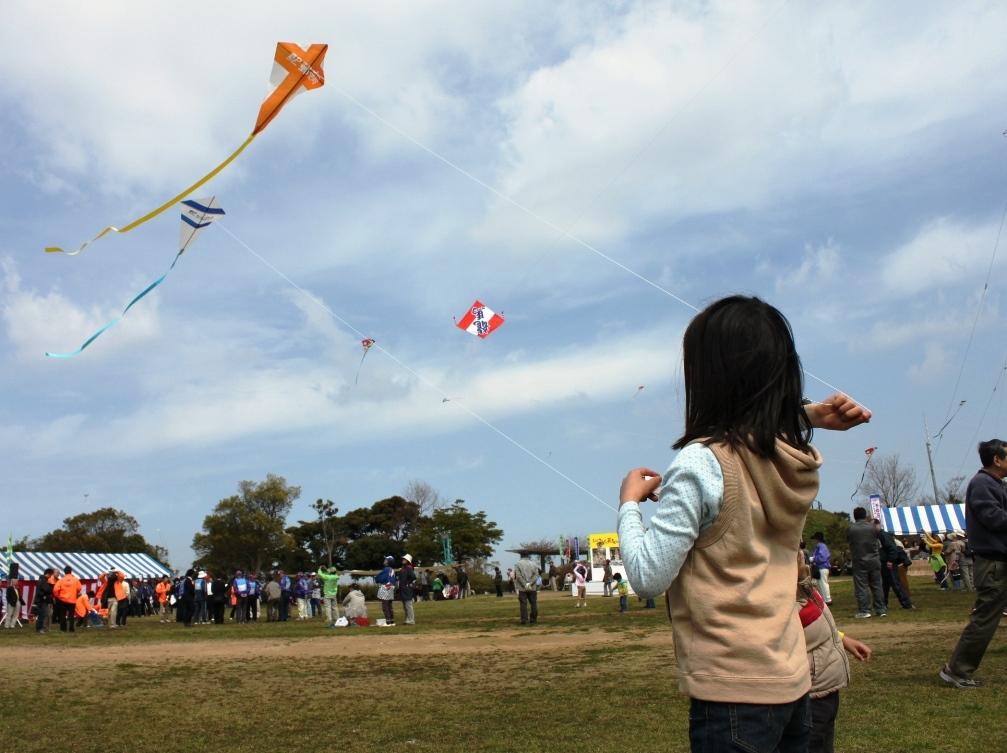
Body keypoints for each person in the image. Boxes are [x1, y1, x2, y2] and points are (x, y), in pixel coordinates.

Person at [617, 295, 870, 753]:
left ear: (708, 376)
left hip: (732, 692)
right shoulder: (789, 458)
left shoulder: (700, 462)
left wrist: (629, 505)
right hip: (793, 681)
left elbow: (648, 576)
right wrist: (807, 414)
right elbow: (759, 435)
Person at [940, 439, 1007, 689]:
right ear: (996, 460)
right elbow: (993, 517)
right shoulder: (982, 484)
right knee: (985, 619)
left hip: (999, 561)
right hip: (993, 563)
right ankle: (957, 670)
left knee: (986, 617)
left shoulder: (996, 484)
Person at [796, 551, 872, 753]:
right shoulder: (782, 599)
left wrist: (842, 638)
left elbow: (818, 622)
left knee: (823, 741)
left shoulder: (803, 586)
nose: (803, 560)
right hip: (809, 693)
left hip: (826, 685)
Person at [848, 507, 885, 618]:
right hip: (874, 560)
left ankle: (865, 610)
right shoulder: (873, 528)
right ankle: (881, 609)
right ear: (865, 516)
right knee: (877, 585)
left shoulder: (851, 529)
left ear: (855, 516)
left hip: (859, 561)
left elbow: (849, 541)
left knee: (862, 587)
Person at [875, 520, 913, 609]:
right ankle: (883, 604)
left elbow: (892, 549)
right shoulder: (879, 536)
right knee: (885, 585)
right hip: (884, 563)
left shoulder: (883, 535)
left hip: (889, 563)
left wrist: (890, 560)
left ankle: (907, 604)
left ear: (877, 525)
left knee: (896, 584)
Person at [53, 566, 81, 633]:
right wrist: (75, 593)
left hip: (63, 600)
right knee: (71, 615)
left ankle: (63, 629)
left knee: (62, 615)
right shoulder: (75, 580)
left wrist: (58, 596)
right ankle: (71, 629)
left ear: (64, 572)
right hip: (72, 600)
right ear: (71, 571)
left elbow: (55, 590)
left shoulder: (61, 580)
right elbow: (79, 588)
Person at [513, 556, 540, 625]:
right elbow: (536, 575)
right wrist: (530, 583)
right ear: (529, 556)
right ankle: (533, 619)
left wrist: (525, 584)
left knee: (523, 604)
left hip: (522, 587)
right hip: (532, 587)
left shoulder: (518, 564)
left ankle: (524, 619)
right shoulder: (534, 563)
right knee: (533, 603)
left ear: (521, 556)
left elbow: (518, 576)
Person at [810, 532, 832, 604]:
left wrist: (813, 559)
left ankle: (827, 600)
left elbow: (822, 558)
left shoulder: (821, 546)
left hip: (822, 567)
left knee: (823, 584)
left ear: (817, 539)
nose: (813, 541)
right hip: (822, 568)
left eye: (814, 539)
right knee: (821, 584)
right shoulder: (822, 546)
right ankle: (824, 599)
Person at [375, 556, 397, 626]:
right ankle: (392, 621)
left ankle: (388, 621)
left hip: (386, 587)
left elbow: (379, 578)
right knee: (389, 605)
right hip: (391, 587)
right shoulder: (392, 570)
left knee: (385, 605)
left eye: (386, 559)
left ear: (388, 562)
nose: (384, 560)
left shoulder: (386, 569)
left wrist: (377, 578)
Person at [34, 568, 55, 634]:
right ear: (48, 574)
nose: (50, 576)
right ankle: (40, 629)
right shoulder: (43, 580)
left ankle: (39, 628)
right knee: (42, 615)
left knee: (41, 615)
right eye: (51, 575)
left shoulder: (41, 579)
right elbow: (47, 589)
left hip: (39, 600)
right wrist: (46, 594)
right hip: (42, 600)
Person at [399, 554, 417, 625]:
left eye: (404, 559)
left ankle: (411, 620)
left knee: (408, 605)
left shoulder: (409, 568)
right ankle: (407, 619)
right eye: (403, 559)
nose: (403, 560)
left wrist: (408, 583)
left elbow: (413, 577)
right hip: (403, 588)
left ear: (408, 561)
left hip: (407, 588)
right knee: (405, 605)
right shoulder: (403, 568)